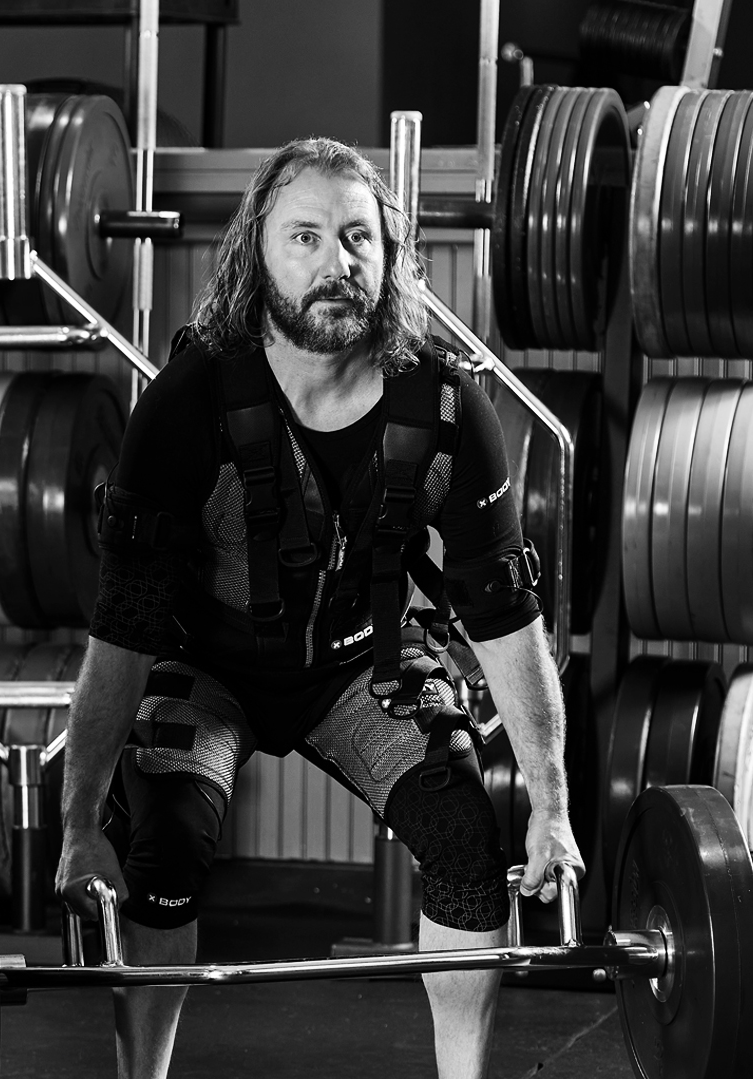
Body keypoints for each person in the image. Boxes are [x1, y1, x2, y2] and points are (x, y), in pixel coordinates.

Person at [54, 137, 583, 1079]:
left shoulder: (451, 407)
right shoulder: (186, 403)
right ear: (256, 254)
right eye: (304, 238)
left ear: (390, 257)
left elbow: (506, 615)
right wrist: (78, 821)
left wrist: (553, 807)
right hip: (205, 668)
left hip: (358, 670)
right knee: (163, 848)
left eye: (356, 239)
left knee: (468, 837)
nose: (335, 264)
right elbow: (125, 627)